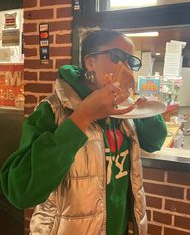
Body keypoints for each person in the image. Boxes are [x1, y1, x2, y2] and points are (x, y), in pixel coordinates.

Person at [0, 28, 167, 235]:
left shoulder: (124, 109)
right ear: (90, 63)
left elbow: (155, 141)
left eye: (131, 62)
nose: (125, 69)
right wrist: (82, 118)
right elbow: (21, 192)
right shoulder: (53, 110)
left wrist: (143, 106)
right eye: (117, 57)